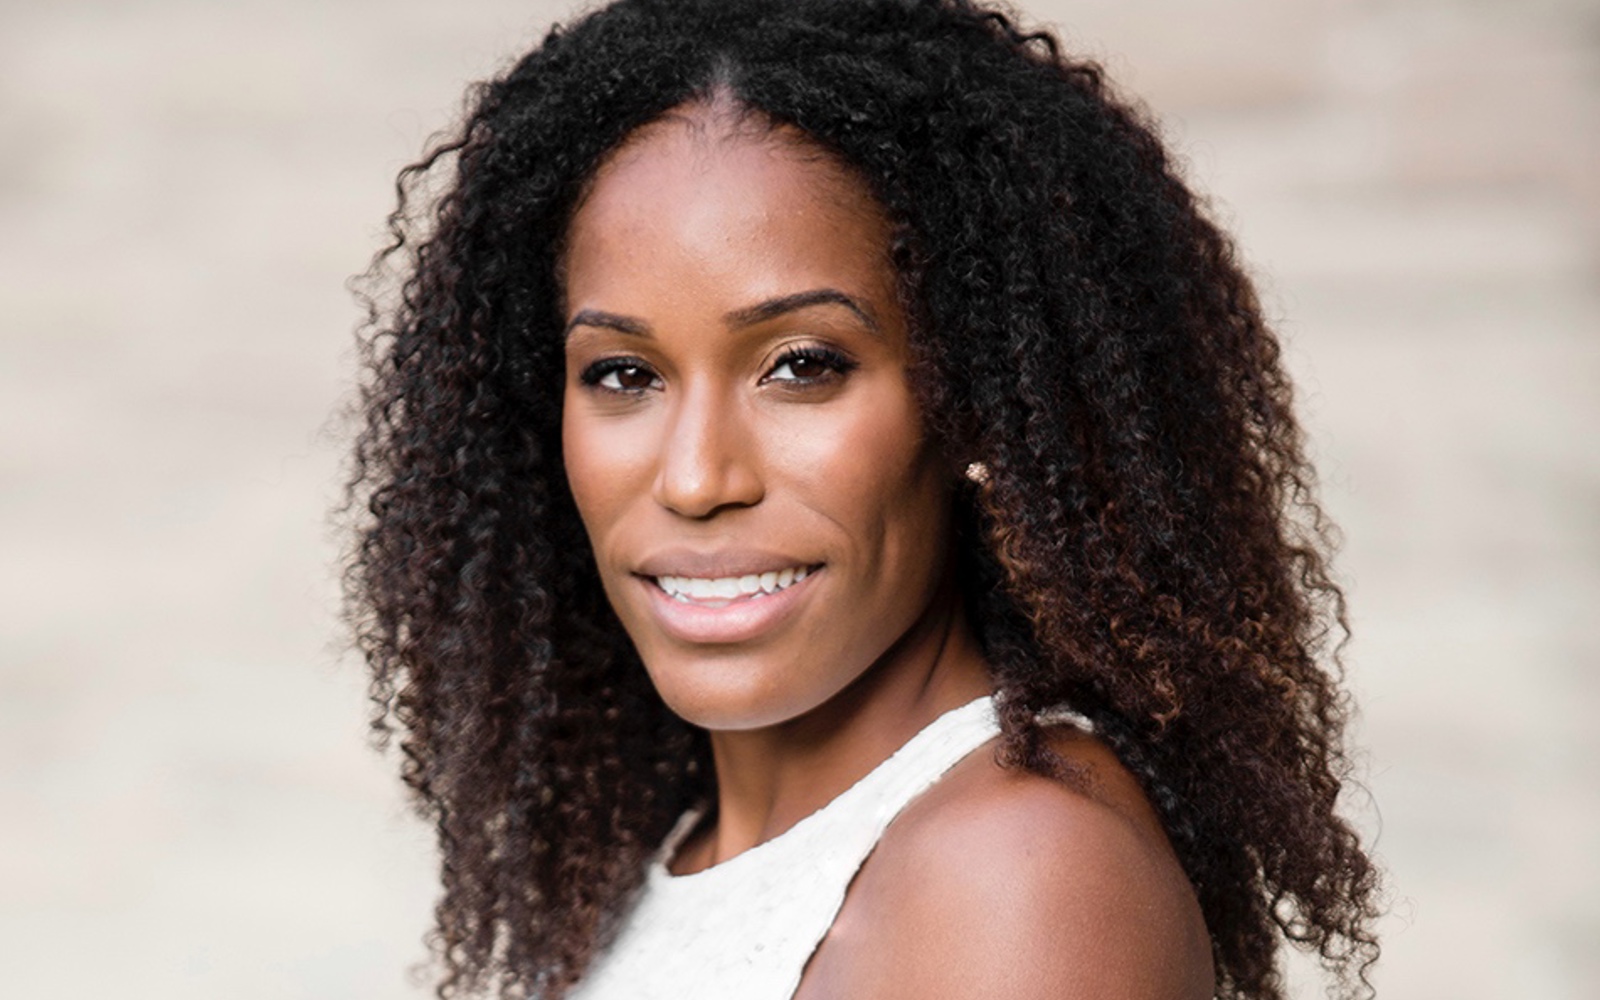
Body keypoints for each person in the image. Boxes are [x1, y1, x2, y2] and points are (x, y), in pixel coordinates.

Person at [343, 1, 1381, 998]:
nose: (698, 477)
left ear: (976, 402)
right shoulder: (675, 851)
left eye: (802, 365)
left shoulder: (1016, 871)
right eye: (623, 374)